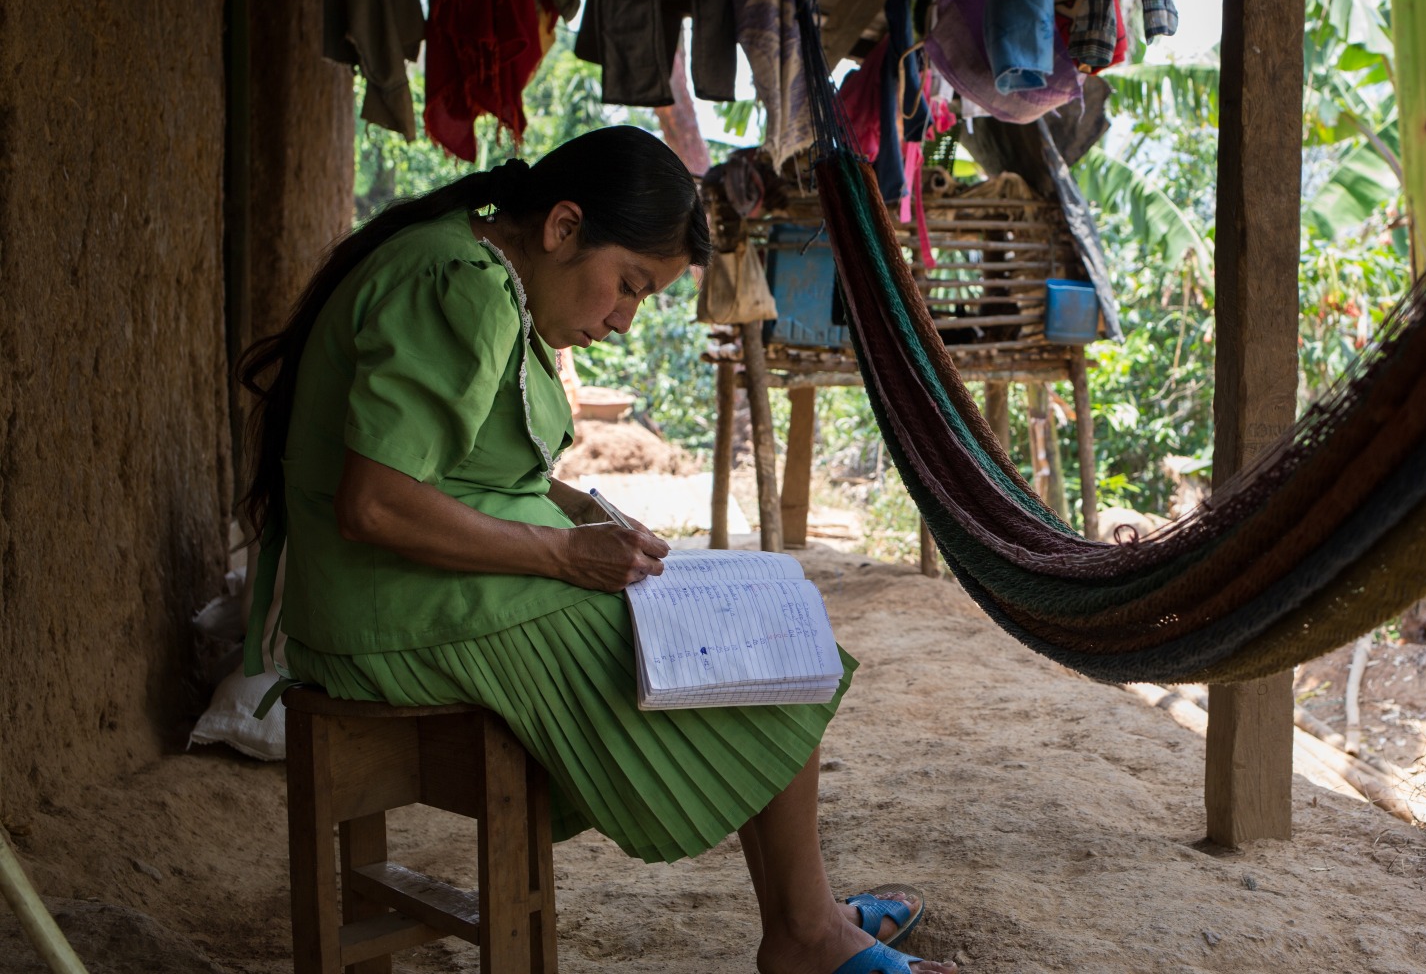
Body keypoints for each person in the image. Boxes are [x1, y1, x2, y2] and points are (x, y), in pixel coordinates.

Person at [238, 126, 954, 974]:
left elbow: (469, 468)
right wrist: (561, 555)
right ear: (562, 227)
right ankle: (806, 935)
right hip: (397, 607)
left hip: (421, 591)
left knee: (759, 624)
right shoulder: (459, 282)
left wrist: (581, 512)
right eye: (628, 286)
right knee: (755, 648)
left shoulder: (482, 272)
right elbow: (377, 503)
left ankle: (807, 917)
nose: (620, 320)